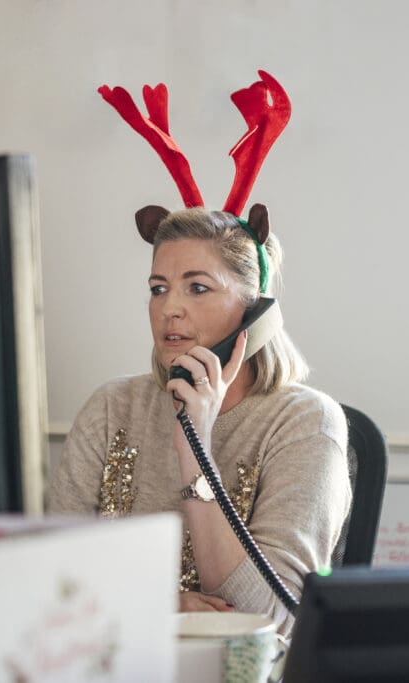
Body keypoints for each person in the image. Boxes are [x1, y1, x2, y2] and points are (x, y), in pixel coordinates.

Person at [46, 205, 352, 634]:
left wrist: (195, 448)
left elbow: (271, 619)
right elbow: (51, 581)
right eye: (158, 289)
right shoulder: (112, 406)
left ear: (255, 310)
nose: (169, 308)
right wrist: (160, 605)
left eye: (197, 288)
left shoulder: (306, 422)